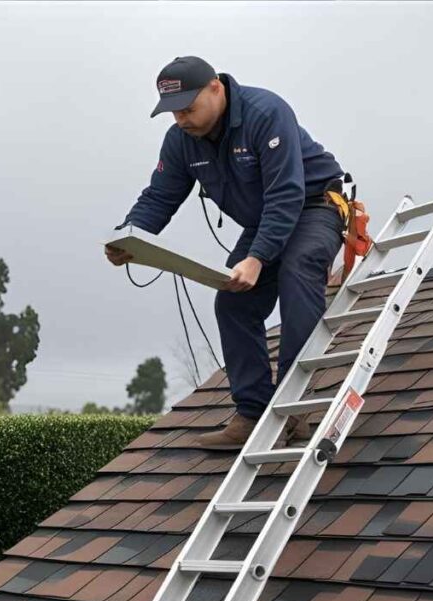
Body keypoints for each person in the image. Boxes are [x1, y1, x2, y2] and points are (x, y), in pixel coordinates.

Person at [106, 56, 350, 447]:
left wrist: (257, 257)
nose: (181, 119)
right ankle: (252, 414)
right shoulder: (180, 141)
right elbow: (159, 196)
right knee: (232, 302)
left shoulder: (266, 113)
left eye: (188, 108)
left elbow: (286, 193)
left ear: (215, 88)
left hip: (315, 204)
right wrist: (129, 236)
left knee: (297, 271)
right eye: (174, 112)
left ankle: (293, 407)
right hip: (263, 220)